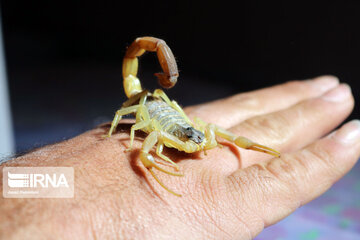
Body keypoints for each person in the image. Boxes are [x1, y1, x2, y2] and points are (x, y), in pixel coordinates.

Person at [1, 75, 359, 240]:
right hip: (151, 111)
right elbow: (145, 140)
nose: (201, 148)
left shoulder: (197, 131)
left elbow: (208, 129)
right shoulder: (161, 135)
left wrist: (16, 184)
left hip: (170, 112)